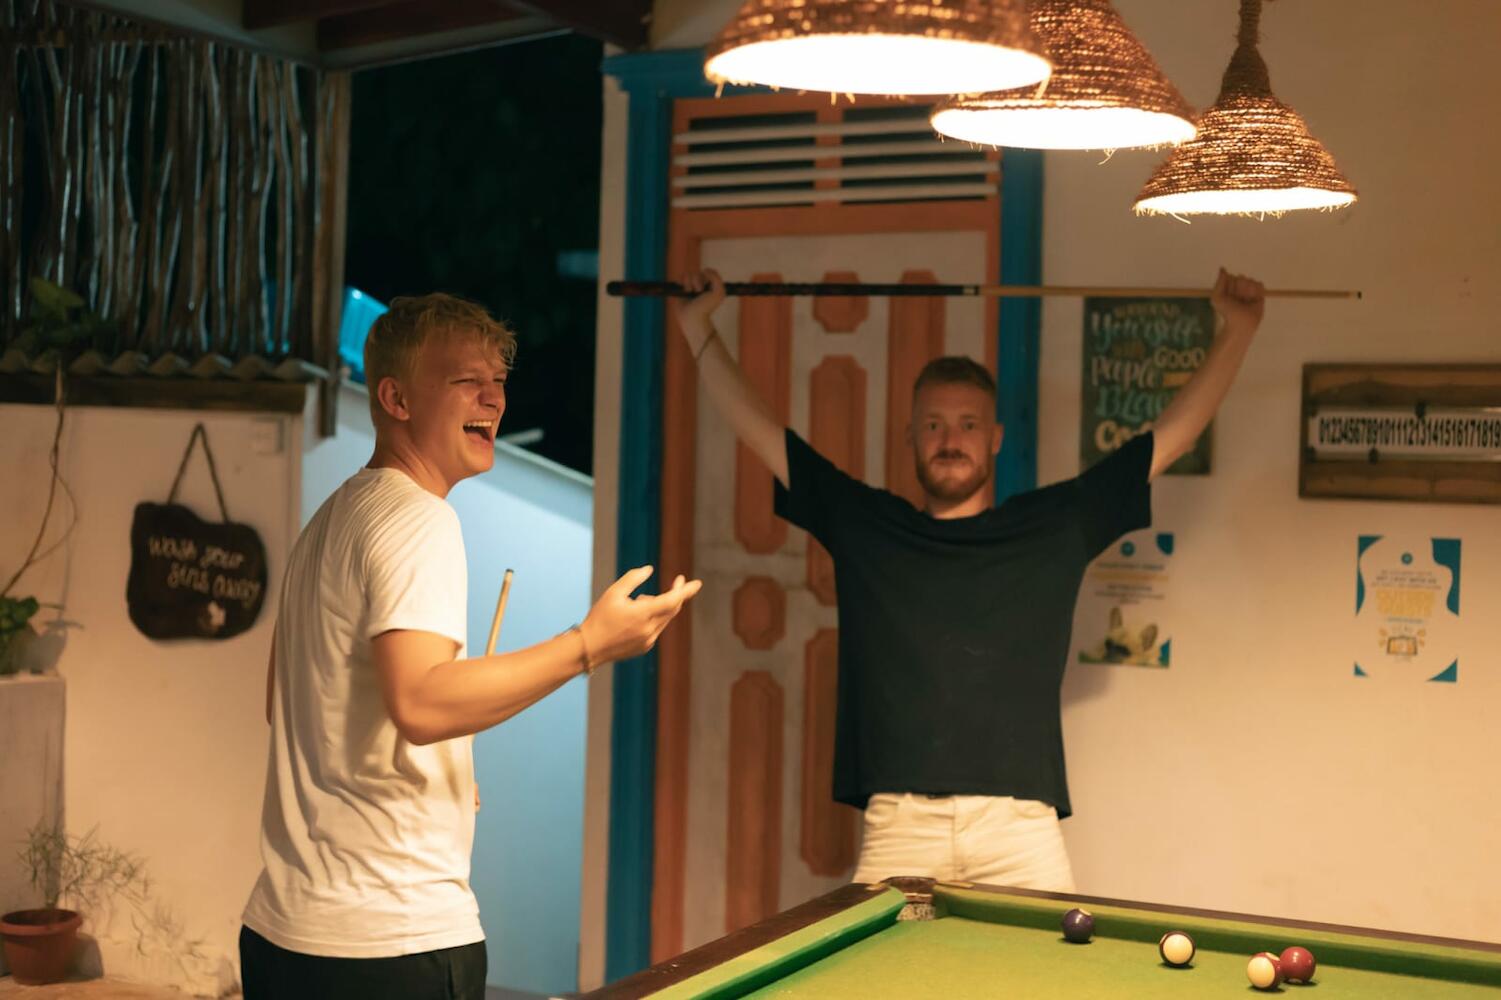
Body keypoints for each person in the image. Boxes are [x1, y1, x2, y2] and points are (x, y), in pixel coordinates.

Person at [674, 268, 1264, 891]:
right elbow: (763, 434)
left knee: (1055, 961)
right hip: (900, 828)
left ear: (995, 438)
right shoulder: (868, 526)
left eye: (968, 424)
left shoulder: (1054, 526)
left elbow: (1168, 440)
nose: (950, 440)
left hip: (1021, 833)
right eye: (933, 425)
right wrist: (697, 327)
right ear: (911, 437)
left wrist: (1238, 332)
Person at [241, 293, 700, 999]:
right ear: (395, 398)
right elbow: (421, 704)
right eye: (466, 380)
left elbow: (290, 702)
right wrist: (589, 645)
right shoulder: (417, 520)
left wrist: (431, 772)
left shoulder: (333, 517)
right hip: (388, 942)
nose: (494, 398)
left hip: (285, 934)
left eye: (498, 380)